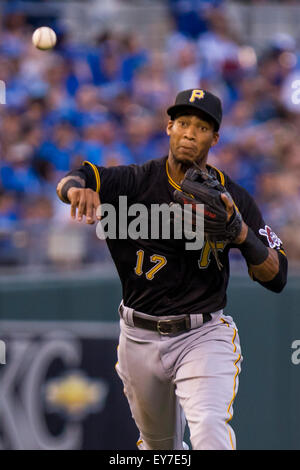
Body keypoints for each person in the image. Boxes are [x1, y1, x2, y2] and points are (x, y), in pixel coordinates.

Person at [56, 89, 288, 450]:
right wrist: (75, 191)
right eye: (183, 123)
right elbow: (75, 176)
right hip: (138, 338)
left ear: (215, 137)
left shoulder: (232, 198)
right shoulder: (136, 182)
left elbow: (278, 275)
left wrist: (240, 233)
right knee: (160, 448)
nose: (190, 133)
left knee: (210, 428)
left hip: (202, 334)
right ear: (169, 127)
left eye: (201, 126)